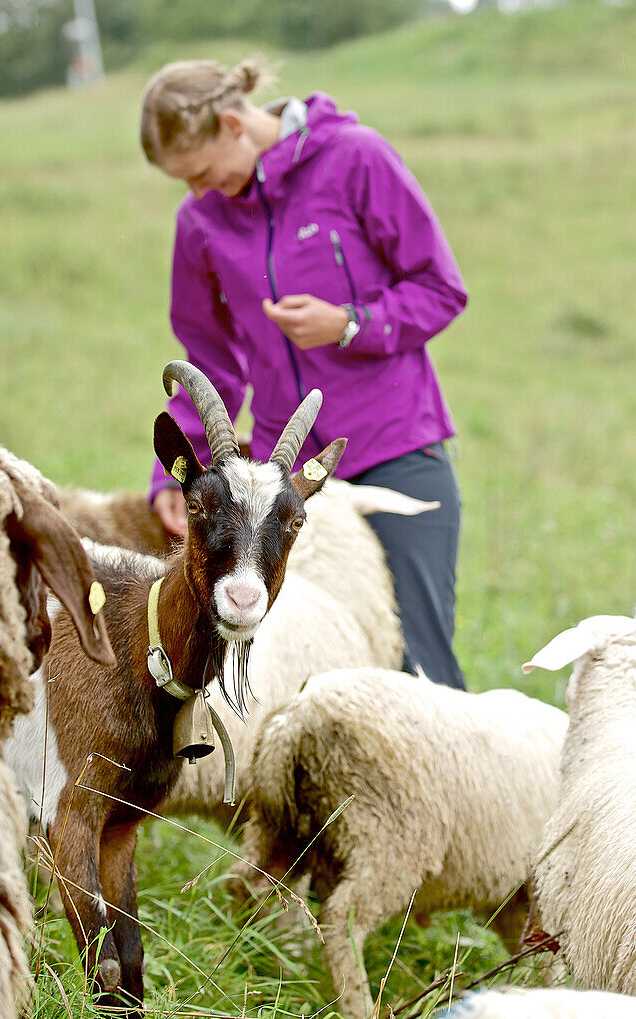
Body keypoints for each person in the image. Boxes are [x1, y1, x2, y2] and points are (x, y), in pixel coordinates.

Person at [140, 59, 468, 689]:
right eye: (183, 184)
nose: (196, 194)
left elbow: (441, 289)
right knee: (289, 676)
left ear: (234, 124)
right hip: (279, 487)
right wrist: (169, 475)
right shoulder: (200, 222)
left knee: (416, 669)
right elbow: (207, 362)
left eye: (202, 174)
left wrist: (350, 323)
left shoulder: (356, 158)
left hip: (396, 450)